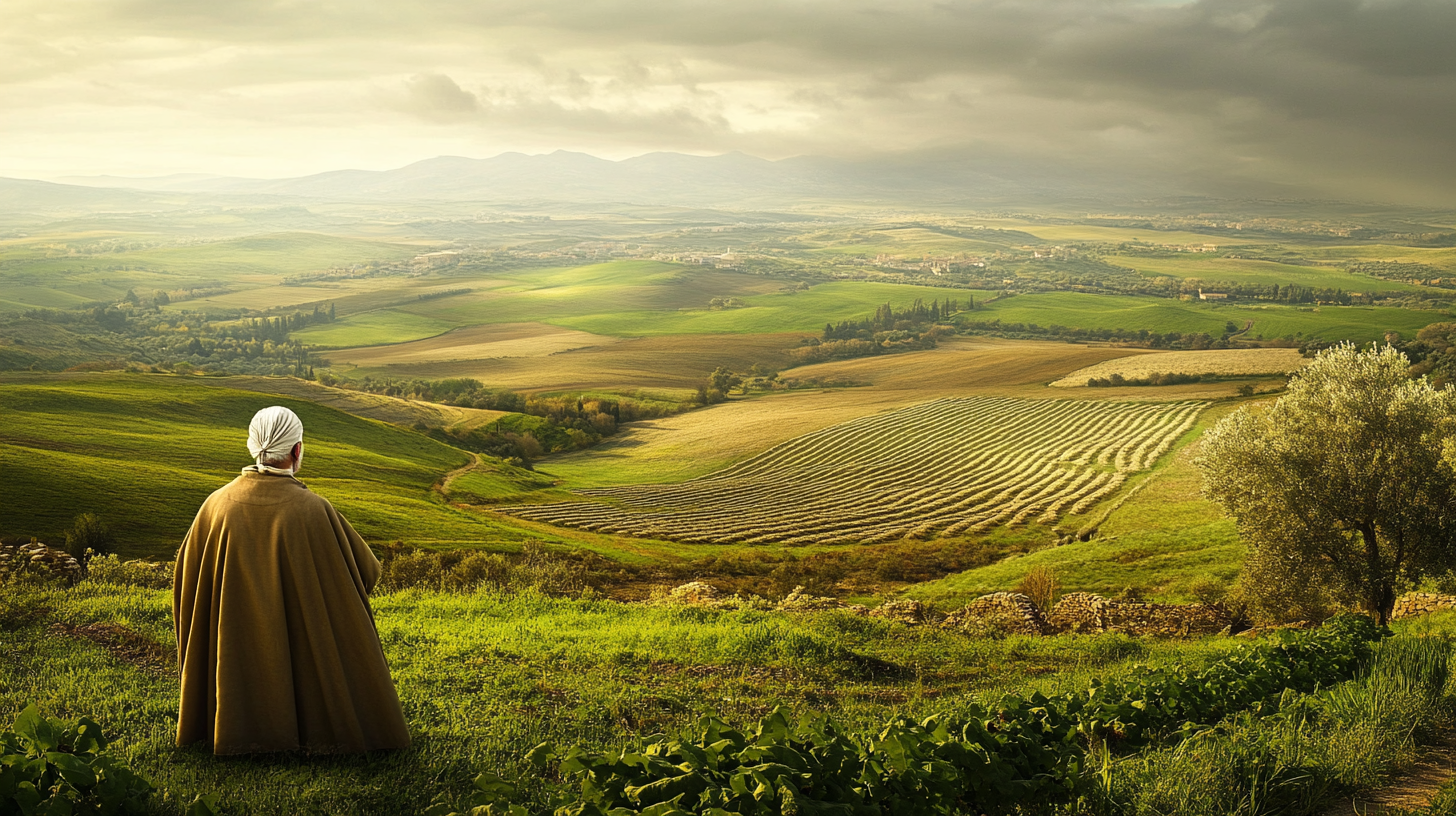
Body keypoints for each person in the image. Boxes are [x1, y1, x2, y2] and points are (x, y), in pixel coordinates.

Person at [172, 405, 411, 754]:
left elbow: (187, 579)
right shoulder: (313, 510)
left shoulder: (215, 506)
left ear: (252, 445)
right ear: (297, 451)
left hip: (230, 641)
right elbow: (363, 573)